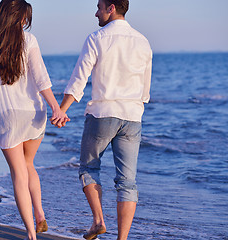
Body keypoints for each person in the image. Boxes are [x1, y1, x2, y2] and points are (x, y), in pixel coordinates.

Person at [53, 0, 152, 239]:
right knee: (128, 182)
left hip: (102, 114)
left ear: (111, 8)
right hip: (132, 116)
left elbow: (79, 78)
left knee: (88, 168)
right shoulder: (143, 41)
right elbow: (145, 89)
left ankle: (98, 221)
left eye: (99, 6)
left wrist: (62, 109)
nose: (95, 12)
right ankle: (122, 238)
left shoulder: (97, 38)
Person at [0, 0, 69, 239]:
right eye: (24, 18)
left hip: (5, 116)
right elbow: (41, 79)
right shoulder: (29, 40)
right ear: (16, 17)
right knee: (29, 165)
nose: (25, 22)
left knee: (18, 172)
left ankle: (30, 233)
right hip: (33, 114)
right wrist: (57, 108)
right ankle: (39, 214)